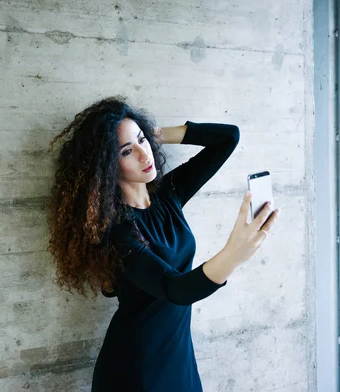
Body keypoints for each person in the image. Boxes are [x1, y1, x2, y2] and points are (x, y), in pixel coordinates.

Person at [46, 96, 280, 391]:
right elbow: (175, 289)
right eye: (128, 152)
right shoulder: (117, 232)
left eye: (143, 142)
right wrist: (233, 255)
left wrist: (152, 133)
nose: (146, 156)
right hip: (136, 366)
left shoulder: (168, 194)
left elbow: (227, 138)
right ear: (106, 166)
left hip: (178, 355)